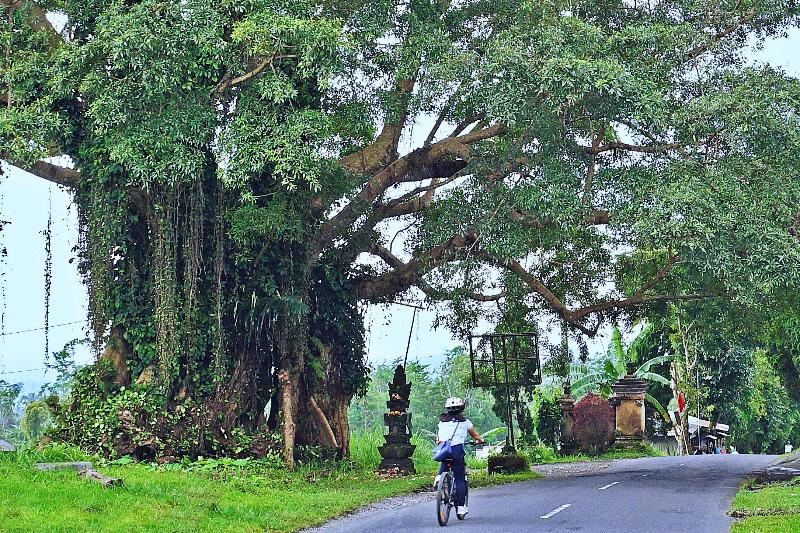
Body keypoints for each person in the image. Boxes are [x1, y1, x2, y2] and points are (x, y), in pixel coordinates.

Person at [434, 397, 485, 519]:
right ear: (461, 409)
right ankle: (461, 508)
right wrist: (480, 440)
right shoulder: (465, 422)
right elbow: (475, 435)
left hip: (444, 450)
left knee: (445, 463)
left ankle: (439, 479)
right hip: (457, 450)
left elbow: (439, 438)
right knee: (460, 477)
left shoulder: (442, 422)